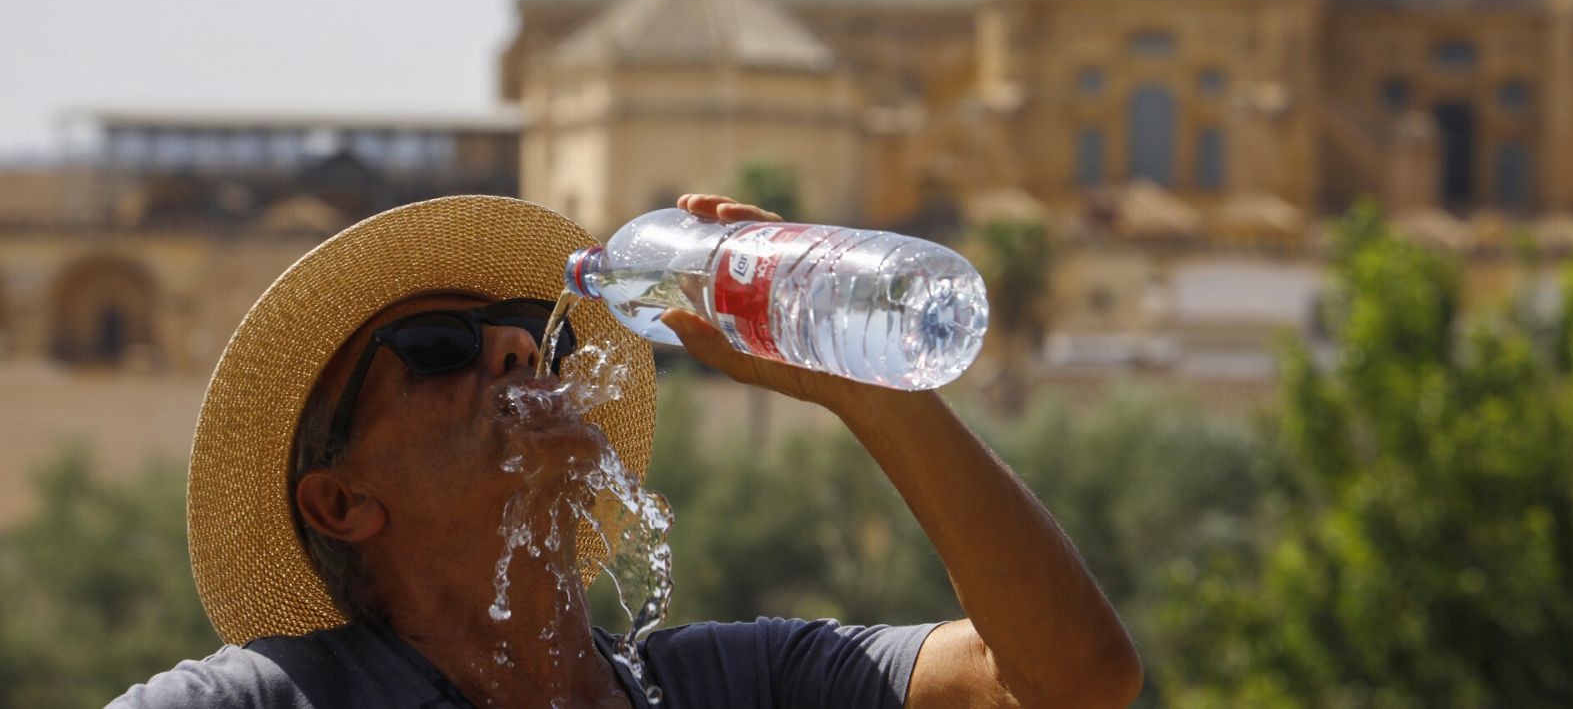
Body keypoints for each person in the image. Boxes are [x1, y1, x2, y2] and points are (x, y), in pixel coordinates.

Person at [111, 194, 1142, 708]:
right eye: (433, 351)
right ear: (340, 504)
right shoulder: (277, 699)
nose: (518, 347)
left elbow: (1066, 681)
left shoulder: (725, 685)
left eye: (530, 330)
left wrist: (871, 394)